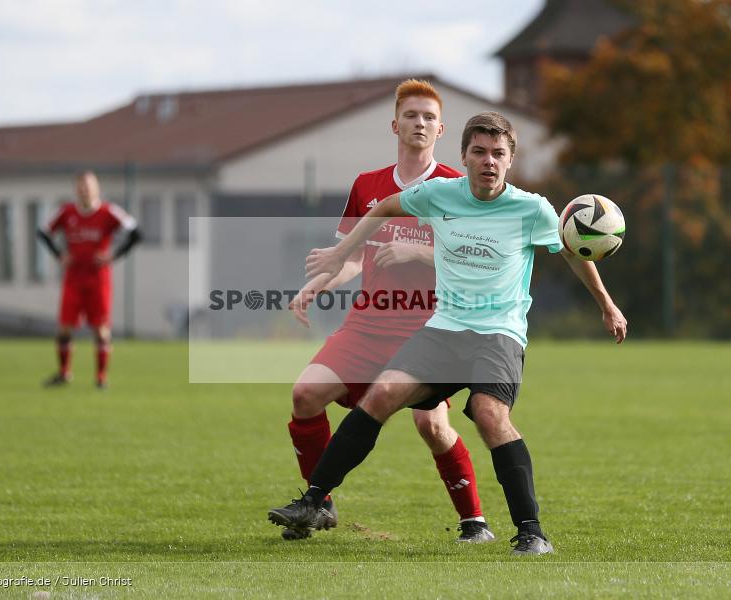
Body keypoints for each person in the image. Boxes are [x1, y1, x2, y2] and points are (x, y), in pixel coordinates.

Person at [269, 112, 628, 555]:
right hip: (444, 329)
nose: (488, 162)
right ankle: (313, 501)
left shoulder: (531, 208)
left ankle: (531, 532)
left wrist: (607, 305)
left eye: (498, 154)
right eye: (479, 152)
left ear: (510, 160)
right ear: (464, 157)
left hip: (498, 334)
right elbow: (382, 207)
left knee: (488, 413)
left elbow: (572, 251)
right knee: (380, 395)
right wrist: (343, 251)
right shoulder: (441, 194)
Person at [280, 80, 492, 542]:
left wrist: (417, 254)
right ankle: (319, 504)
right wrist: (319, 284)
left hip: (426, 327)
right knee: (305, 396)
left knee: (432, 425)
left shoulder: (457, 187)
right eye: (412, 115)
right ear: (395, 125)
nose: (420, 123)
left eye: (429, 117)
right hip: (367, 322)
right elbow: (353, 257)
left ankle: (473, 520)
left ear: (441, 129)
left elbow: (477, 258)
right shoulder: (367, 186)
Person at [37, 170, 141, 389]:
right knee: (65, 328)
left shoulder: (108, 212)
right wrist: (59, 255)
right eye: (81, 186)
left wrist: (113, 255)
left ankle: (101, 378)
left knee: (101, 329)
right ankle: (64, 373)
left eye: (89, 186)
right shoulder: (66, 212)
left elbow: (136, 233)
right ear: (76, 189)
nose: (85, 190)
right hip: (73, 278)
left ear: (97, 189)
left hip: (98, 279)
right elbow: (43, 232)